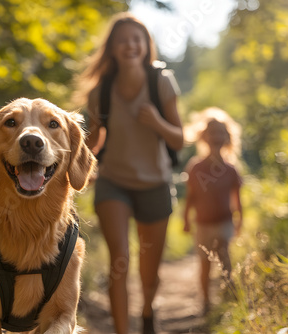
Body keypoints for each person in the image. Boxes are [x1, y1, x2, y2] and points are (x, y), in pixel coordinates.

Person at [73, 12, 183, 334]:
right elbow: (94, 139)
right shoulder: (101, 92)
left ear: (145, 45)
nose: (130, 45)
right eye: (122, 40)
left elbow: (179, 137)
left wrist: (157, 122)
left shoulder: (160, 81)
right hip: (113, 182)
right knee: (119, 260)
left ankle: (148, 311)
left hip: (155, 183)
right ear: (112, 48)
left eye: (136, 39)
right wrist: (76, 166)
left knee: (150, 271)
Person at [182, 107, 243, 314]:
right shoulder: (196, 167)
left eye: (220, 132)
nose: (216, 137)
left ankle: (231, 299)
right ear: (203, 137)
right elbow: (190, 198)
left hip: (225, 221)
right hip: (202, 223)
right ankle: (206, 302)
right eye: (211, 132)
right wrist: (185, 220)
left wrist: (240, 220)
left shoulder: (231, 169)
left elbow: (237, 199)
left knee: (225, 255)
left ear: (227, 137)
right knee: (204, 263)